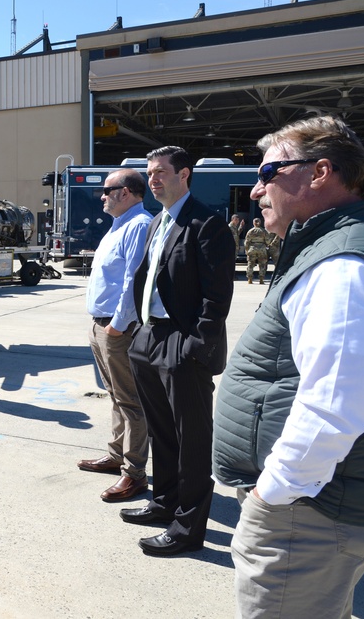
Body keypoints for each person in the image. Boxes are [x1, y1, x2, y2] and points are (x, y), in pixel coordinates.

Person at [213, 116, 364, 618]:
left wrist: (273, 496)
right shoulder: (329, 249)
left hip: (307, 512)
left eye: (269, 172)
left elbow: (335, 407)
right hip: (312, 507)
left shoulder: (343, 266)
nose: (254, 191)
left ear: (319, 173)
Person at [120, 145, 235, 556]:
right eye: (149, 173)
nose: (152, 179)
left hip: (181, 342)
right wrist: (137, 331)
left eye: (160, 172)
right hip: (148, 337)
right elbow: (147, 278)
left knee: (191, 439)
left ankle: (187, 528)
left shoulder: (206, 224)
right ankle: (165, 502)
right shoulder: (158, 223)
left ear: (184, 175)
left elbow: (216, 297)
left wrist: (193, 346)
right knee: (162, 431)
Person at [77, 169, 153, 502]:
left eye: (106, 191)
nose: (102, 197)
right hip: (102, 325)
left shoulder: (137, 226)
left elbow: (133, 280)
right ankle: (117, 455)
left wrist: (118, 325)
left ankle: (134, 474)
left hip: (117, 328)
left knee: (131, 401)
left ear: (125, 192)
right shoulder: (118, 226)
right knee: (116, 396)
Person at [244, 217, 270, 284]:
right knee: (262, 264)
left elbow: (247, 241)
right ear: (260, 223)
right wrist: (266, 245)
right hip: (262, 248)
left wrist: (247, 250)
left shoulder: (250, 231)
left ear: (253, 223)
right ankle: (261, 279)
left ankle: (250, 279)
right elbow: (268, 241)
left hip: (252, 248)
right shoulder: (263, 231)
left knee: (250, 263)